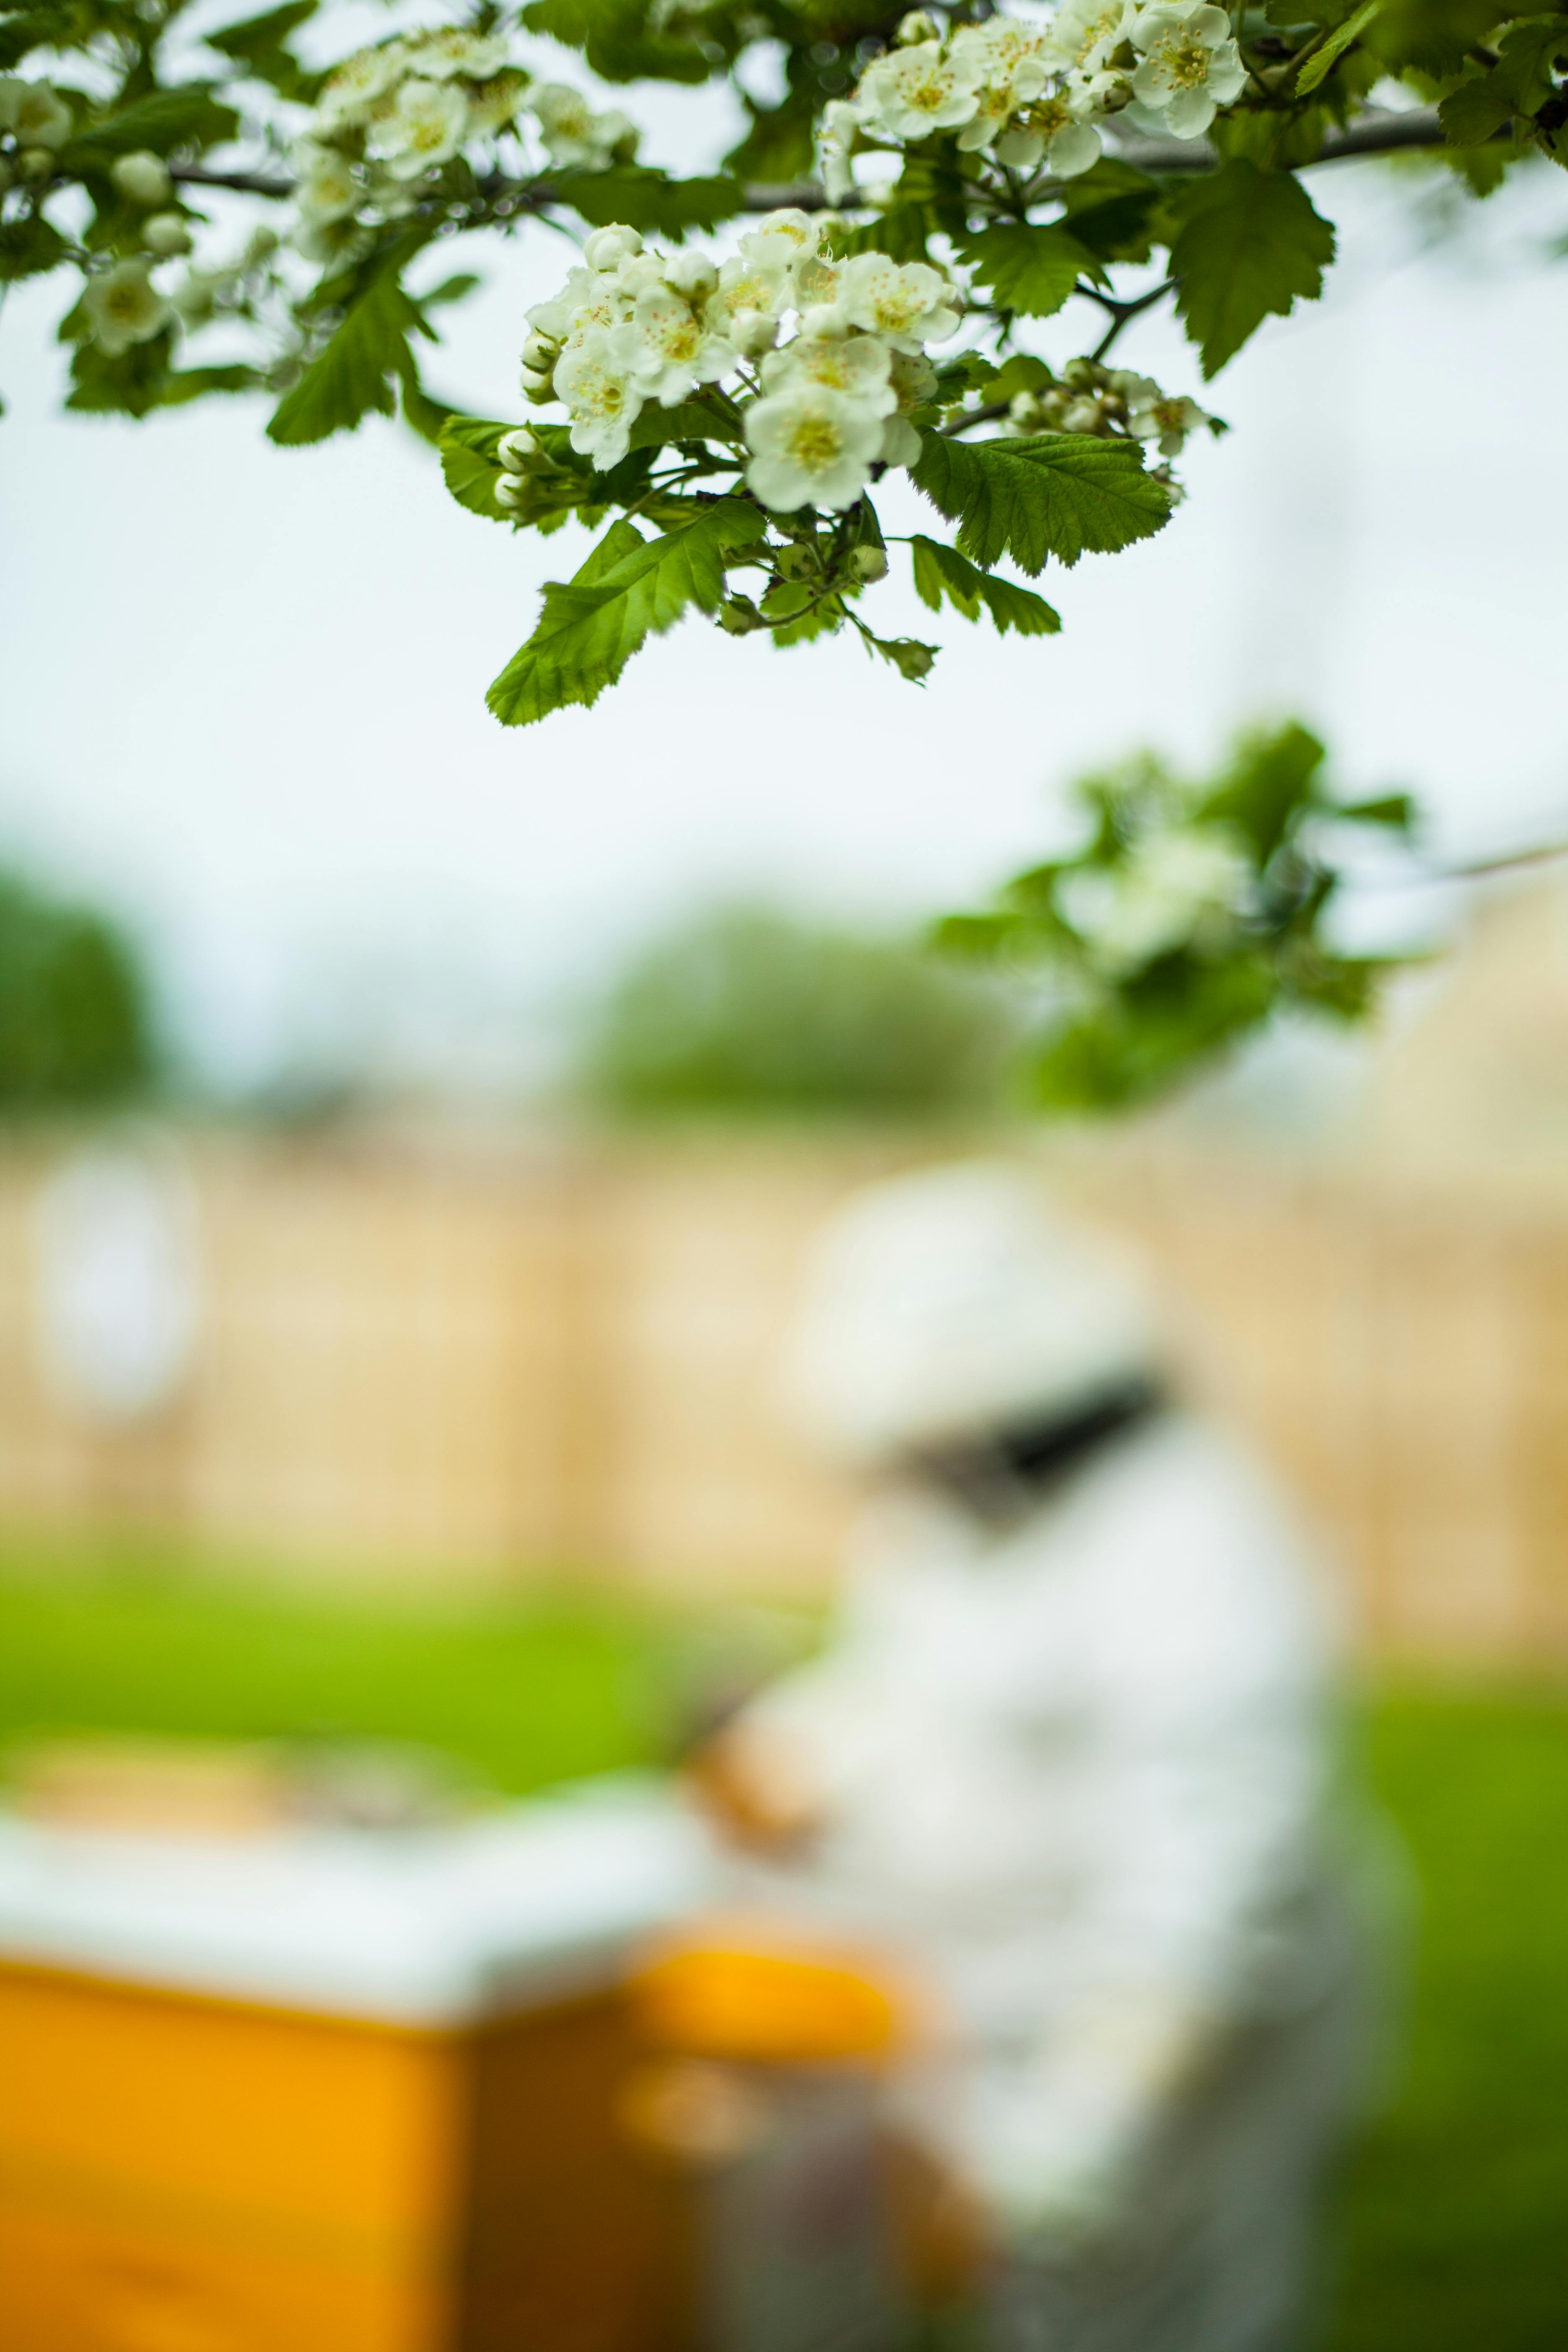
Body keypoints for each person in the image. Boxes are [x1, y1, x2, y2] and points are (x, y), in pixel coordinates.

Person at [689, 1161, 1376, 2352]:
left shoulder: (1199, 1558)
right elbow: (907, 1681)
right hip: (984, 2001)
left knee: (1148, 2311)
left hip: (1164, 2063)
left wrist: (1076, 2141)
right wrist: (798, 1756)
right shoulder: (957, 1508)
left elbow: (1211, 1902)